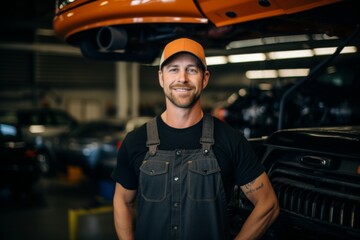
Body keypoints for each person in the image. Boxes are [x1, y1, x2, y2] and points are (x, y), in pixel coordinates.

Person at [111, 37, 279, 240]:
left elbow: (268, 204)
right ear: (161, 77)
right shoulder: (135, 141)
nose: (182, 78)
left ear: (205, 78)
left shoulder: (230, 140)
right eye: (173, 69)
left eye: (192, 70)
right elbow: (122, 200)